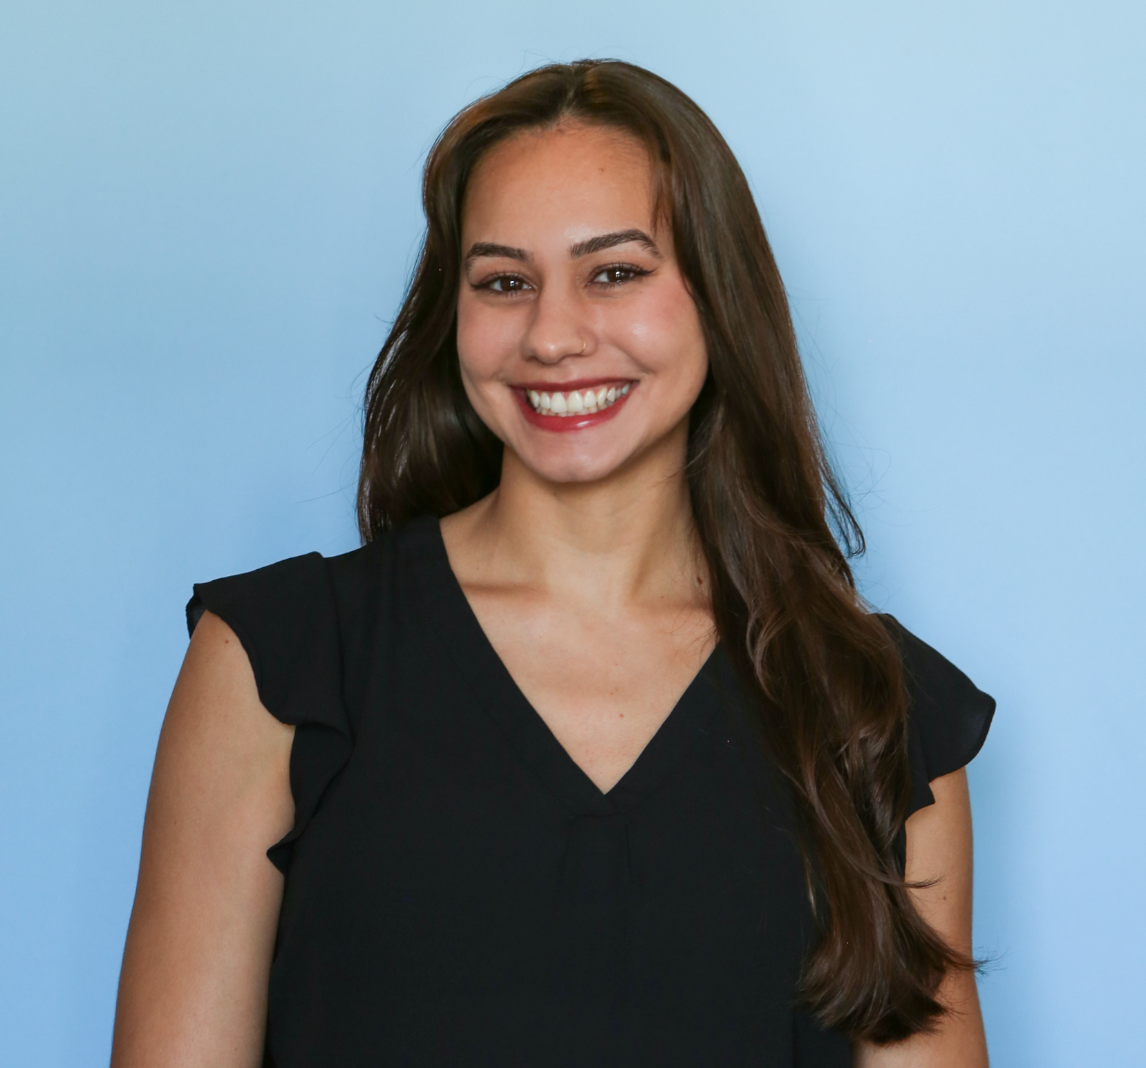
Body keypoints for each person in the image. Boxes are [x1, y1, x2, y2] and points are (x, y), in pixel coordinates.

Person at [111, 60, 995, 1067]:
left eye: (614, 271)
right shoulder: (282, 667)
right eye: (504, 282)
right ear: (457, 317)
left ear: (718, 295)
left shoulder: (874, 707)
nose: (554, 334)